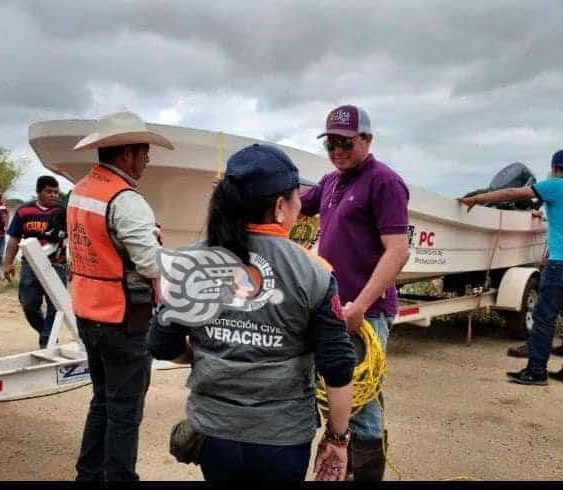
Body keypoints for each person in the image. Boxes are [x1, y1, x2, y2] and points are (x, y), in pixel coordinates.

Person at [148, 143, 357, 481]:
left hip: (214, 435)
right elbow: (337, 365)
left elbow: (161, 343)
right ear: (279, 206)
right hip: (282, 440)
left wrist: (200, 354)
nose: (300, 204)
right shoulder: (314, 271)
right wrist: (337, 438)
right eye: (296, 197)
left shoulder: (191, 263)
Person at [299, 105, 410, 481]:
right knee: (345, 390)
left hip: (365, 312)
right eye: (331, 143)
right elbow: (298, 204)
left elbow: (398, 251)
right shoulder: (331, 181)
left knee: (361, 397)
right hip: (332, 307)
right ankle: (346, 466)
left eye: (346, 142)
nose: (337, 150)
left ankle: (362, 473)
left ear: (367, 139)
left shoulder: (385, 182)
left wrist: (359, 307)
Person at [67, 111, 172, 481]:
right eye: (144, 151)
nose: (147, 158)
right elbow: (150, 264)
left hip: (87, 311)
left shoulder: (80, 190)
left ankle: (88, 475)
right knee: (125, 410)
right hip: (122, 319)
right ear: (127, 153)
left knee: (102, 400)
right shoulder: (126, 201)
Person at [460, 149, 563, 386]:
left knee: (544, 317)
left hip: (561, 264)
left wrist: (478, 199)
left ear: (555, 168)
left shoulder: (553, 186)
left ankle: (536, 371)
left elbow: (512, 192)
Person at [3, 175, 67, 349]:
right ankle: (46, 332)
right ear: (38, 191)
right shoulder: (24, 212)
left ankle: (47, 342)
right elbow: (14, 239)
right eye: (49, 192)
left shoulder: (63, 212)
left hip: (57, 264)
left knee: (57, 306)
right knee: (29, 304)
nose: (53, 195)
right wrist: (7, 263)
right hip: (30, 265)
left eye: (56, 192)